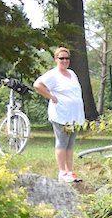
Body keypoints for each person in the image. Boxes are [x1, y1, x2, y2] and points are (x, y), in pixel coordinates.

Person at [32, 47, 84, 183]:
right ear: (56, 59)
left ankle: (69, 171)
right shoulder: (53, 75)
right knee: (62, 142)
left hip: (74, 115)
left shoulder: (72, 73)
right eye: (61, 58)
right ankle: (62, 172)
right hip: (61, 114)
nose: (64, 61)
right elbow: (37, 85)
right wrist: (51, 97)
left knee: (70, 144)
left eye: (67, 58)